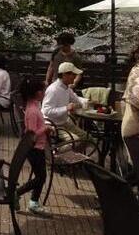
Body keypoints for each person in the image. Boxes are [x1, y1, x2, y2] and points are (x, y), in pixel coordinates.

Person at [21, 77, 56, 217]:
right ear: (37, 93)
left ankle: (33, 202)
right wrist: (45, 128)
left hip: (38, 147)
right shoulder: (32, 110)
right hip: (34, 148)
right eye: (42, 91)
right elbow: (32, 134)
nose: (44, 93)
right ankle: (18, 193)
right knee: (41, 177)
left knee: (41, 176)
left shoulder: (34, 106)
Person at [41, 62, 92, 143]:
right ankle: (56, 151)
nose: (75, 77)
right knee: (75, 141)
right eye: (73, 74)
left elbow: (76, 99)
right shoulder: (53, 90)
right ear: (65, 75)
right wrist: (66, 108)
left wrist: (89, 102)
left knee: (87, 137)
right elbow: (47, 111)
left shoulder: (66, 88)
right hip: (52, 126)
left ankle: (75, 151)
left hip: (64, 123)